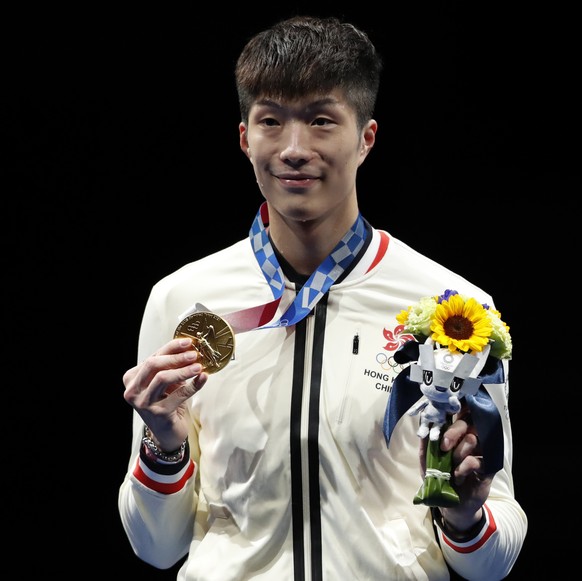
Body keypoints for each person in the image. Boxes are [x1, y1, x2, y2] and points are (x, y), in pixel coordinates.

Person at [118, 15, 527, 580]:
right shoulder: (182, 300)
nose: (293, 148)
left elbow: (493, 562)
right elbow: (155, 548)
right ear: (244, 138)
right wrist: (164, 448)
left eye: (320, 120)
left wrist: (464, 514)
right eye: (270, 121)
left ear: (366, 138)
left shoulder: (455, 310)